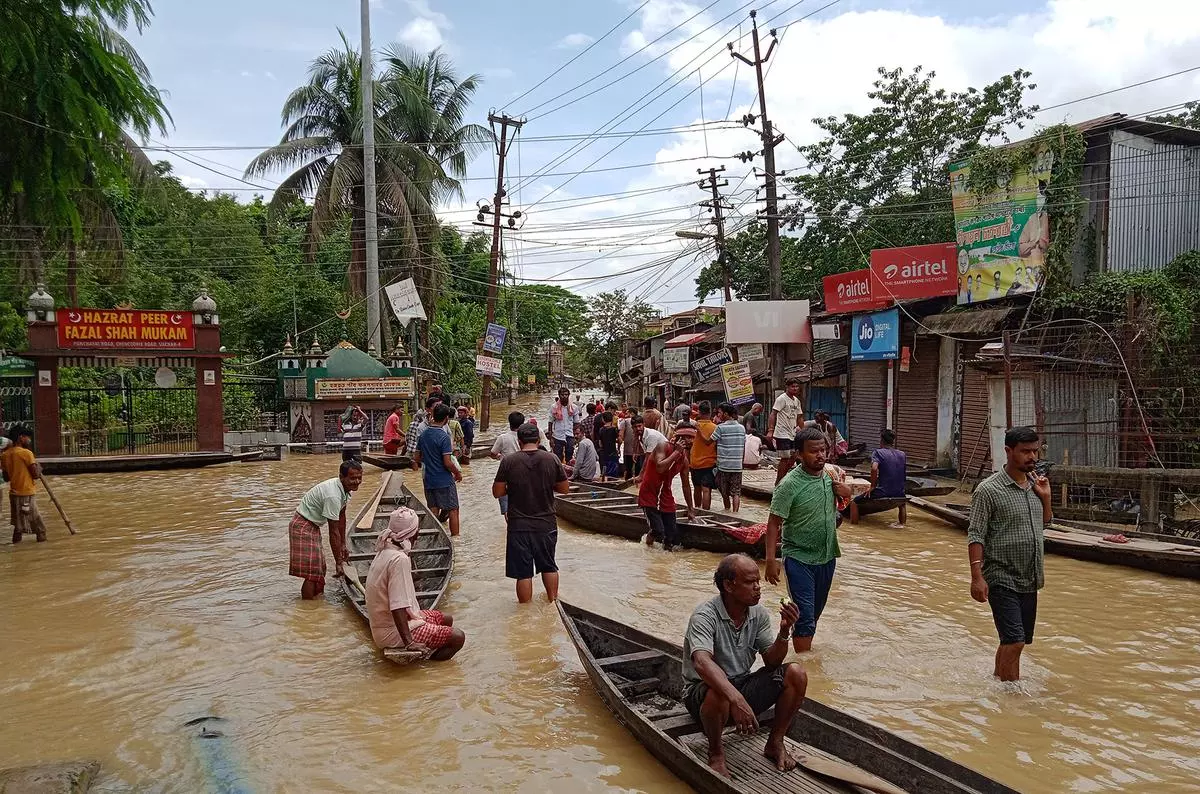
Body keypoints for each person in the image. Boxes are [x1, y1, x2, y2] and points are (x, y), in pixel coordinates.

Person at [683, 554, 807, 776]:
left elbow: (771, 661)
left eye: (758, 582)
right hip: (703, 695)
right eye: (750, 582)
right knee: (718, 690)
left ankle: (775, 743)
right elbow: (701, 662)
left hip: (741, 684)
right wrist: (736, 698)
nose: (758, 588)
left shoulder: (757, 613)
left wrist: (784, 631)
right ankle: (716, 754)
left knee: (796, 673)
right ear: (729, 586)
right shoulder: (705, 615)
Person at [967, 426, 1051, 682]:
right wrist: (976, 577)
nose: (1032, 457)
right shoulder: (988, 490)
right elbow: (975, 535)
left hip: (1030, 576)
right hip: (1001, 576)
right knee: (1014, 640)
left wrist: (1046, 498)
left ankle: (997, 681)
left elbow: (1044, 523)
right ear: (1008, 451)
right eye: (1025, 451)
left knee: (1016, 640)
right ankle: (1011, 695)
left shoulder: (1037, 486)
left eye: (1035, 451)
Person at [765, 428, 851, 652]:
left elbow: (848, 498)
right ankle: (805, 669)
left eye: (823, 450)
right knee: (804, 618)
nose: (820, 455)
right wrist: (771, 560)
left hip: (827, 555)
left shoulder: (831, 474)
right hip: (798, 558)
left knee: (813, 614)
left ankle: (804, 652)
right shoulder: (789, 485)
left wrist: (846, 490)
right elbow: (774, 522)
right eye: (814, 451)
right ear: (799, 455)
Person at [365, 507, 466, 660]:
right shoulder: (399, 559)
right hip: (391, 632)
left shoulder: (385, 548)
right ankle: (428, 664)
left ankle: (427, 649)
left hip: (383, 625)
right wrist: (409, 642)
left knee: (447, 619)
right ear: (415, 533)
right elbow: (398, 605)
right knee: (458, 637)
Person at [492, 423, 570, 603]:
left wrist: (513, 487)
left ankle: (525, 612)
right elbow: (565, 489)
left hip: (518, 524)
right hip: (546, 522)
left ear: (519, 441)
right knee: (549, 566)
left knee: (523, 572)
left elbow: (497, 492)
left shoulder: (509, 461)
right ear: (538, 439)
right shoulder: (551, 459)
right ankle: (554, 604)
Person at [289, 460, 363, 599]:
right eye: (352, 478)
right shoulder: (333, 495)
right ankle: (308, 607)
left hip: (312, 525)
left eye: (359, 477)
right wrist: (339, 562)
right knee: (313, 572)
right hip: (303, 526)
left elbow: (342, 517)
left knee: (320, 568)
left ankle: (318, 601)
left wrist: (343, 545)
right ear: (342, 477)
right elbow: (333, 531)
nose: (357, 481)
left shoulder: (344, 490)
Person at [638, 421, 696, 550]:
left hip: (665, 496)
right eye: (688, 437)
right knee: (658, 531)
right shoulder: (662, 447)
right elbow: (660, 467)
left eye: (693, 437)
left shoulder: (684, 460)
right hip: (650, 494)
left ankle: (665, 563)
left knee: (671, 537)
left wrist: (690, 509)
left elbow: (686, 486)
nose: (691, 441)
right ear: (680, 437)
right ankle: (647, 547)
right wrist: (676, 453)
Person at [411, 403, 462, 537]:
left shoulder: (424, 435)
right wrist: (457, 472)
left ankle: (434, 537)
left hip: (429, 479)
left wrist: (430, 460)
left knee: (433, 510)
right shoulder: (444, 437)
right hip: (444, 480)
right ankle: (456, 540)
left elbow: (416, 457)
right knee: (453, 510)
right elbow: (447, 462)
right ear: (446, 418)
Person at [850, 428, 908, 525]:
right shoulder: (902, 454)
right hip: (899, 492)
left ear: (881, 440)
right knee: (902, 503)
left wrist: (872, 486)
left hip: (883, 491)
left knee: (854, 502)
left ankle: (854, 526)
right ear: (893, 441)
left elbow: (873, 468)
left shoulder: (878, 452)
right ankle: (902, 526)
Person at [2, 425, 46, 543]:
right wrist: (39, 468)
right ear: (21, 438)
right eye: (27, 437)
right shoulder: (26, 453)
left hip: (14, 494)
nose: (29, 440)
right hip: (26, 494)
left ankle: (17, 550)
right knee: (40, 528)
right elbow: (36, 475)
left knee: (18, 527)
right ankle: (42, 548)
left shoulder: (4, 455)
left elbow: (6, 478)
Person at [490, 411, 526, 521]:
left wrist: (499, 457)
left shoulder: (503, 438)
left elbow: (493, 453)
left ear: (509, 423)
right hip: (523, 472)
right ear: (522, 424)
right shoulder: (525, 437)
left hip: (506, 474)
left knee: (506, 505)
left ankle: (510, 526)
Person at [767, 379, 805, 485]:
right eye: (793, 386)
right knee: (785, 458)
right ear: (787, 387)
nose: (795, 388)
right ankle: (778, 482)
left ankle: (784, 478)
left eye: (797, 386)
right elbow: (773, 414)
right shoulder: (781, 399)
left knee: (793, 457)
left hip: (792, 432)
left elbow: (800, 417)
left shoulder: (796, 401)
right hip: (782, 432)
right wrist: (771, 430)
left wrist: (803, 431)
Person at [711, 403, 747, 513]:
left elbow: (710, 441)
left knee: (724, 492)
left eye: (720, 412)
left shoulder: (720, 428)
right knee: (736, 492)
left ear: (726, 414)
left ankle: (727, 510)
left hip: (724, 465)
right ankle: (735, 514)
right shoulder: (742, 428)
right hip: (737, 465)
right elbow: (743, 447)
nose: (718, 415)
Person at [690, 401, 718, 510]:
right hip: (709, 462)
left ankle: (696, 509)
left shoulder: (693, 427)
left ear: (699, 412)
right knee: (706, 489)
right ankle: (706, 512)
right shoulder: (715, 428)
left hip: (694, 462)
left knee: (697, 488)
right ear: (710, 412)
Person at [549, 387, 580, 463]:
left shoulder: (574, 407)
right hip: (557, 435)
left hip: (570, 435)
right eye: (562, 395)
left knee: (569, 455)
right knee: (558, 457)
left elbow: (576, 423)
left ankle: (569, 471)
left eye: (566, 394)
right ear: (559, 395)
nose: (564, 396)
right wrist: (551, 438)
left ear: (569, 395)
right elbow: (550, 422)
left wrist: (575, 436)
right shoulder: (554, 407)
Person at [597, 411, 621, 479]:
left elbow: (600, 443)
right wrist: (618, 448)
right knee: (614, 471)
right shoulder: (614, 429)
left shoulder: (601, 430)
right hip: (613, 452)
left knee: (605, 471)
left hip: (604, 453)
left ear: (603, 419)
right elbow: (620, 441)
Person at [620, 414, 643, 479]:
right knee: (636, 470)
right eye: (635, 427)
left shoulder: (624, 422)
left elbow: (621, 435)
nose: (637, 428)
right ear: (632, 427)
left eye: (639, 426)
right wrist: (635, 452)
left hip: (631, 452)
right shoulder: (636, 433)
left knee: (630, 470)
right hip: (635, 453)